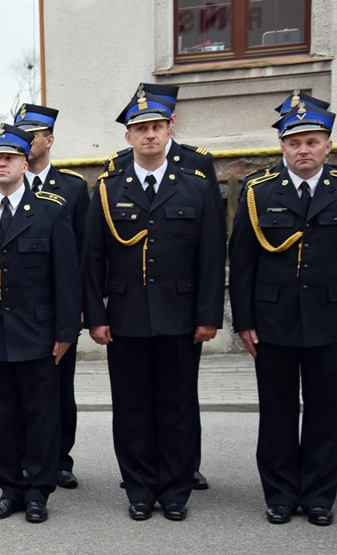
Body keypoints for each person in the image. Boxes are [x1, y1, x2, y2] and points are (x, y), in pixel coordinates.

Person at [82, 87, 225, 522]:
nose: (149, 135)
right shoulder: (107, 190)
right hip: (125, 318)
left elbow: (211, 257)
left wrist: (208, 316)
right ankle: (140, 489)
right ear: (128, 137)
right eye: (141, 129)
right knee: (132, 408)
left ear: (169, 130)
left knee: (178, 406)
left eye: (156, 127)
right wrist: (96, 317)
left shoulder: (195, 188)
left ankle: (176, 491)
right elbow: (92, 259)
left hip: (180, 317)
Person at [0, 124, 80, 523]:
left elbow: (66, 277)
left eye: (9, 157)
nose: (1, 164)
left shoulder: (51, 209)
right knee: (0, 415)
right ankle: (9, 489)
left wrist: (65, 333)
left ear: (25, 163)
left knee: (41, 414)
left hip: (38, 333)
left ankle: (39, 491)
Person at [229, 100, 337, 526]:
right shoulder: (259, 191)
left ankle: (319, 496)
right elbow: (242, 263)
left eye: (312, 141)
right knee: (277, 411)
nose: (303, 149)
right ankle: (279, 494)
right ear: (282, 146)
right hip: (273, 321)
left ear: (327, 145)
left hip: (329, 319)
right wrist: (244, 322)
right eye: (294, 142)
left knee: (326, 410)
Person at [13, 103, 90, 490]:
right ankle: (25, 457)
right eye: (21, 136)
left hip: (59, 306)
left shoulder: (72, 188)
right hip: (17, 308)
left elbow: (84, 253)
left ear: (49, 140)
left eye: (32, 136)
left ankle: (60, 458)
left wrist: (80, 308)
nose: (26, 143)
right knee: (20, 390)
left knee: (60, 387)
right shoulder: (6, 185)